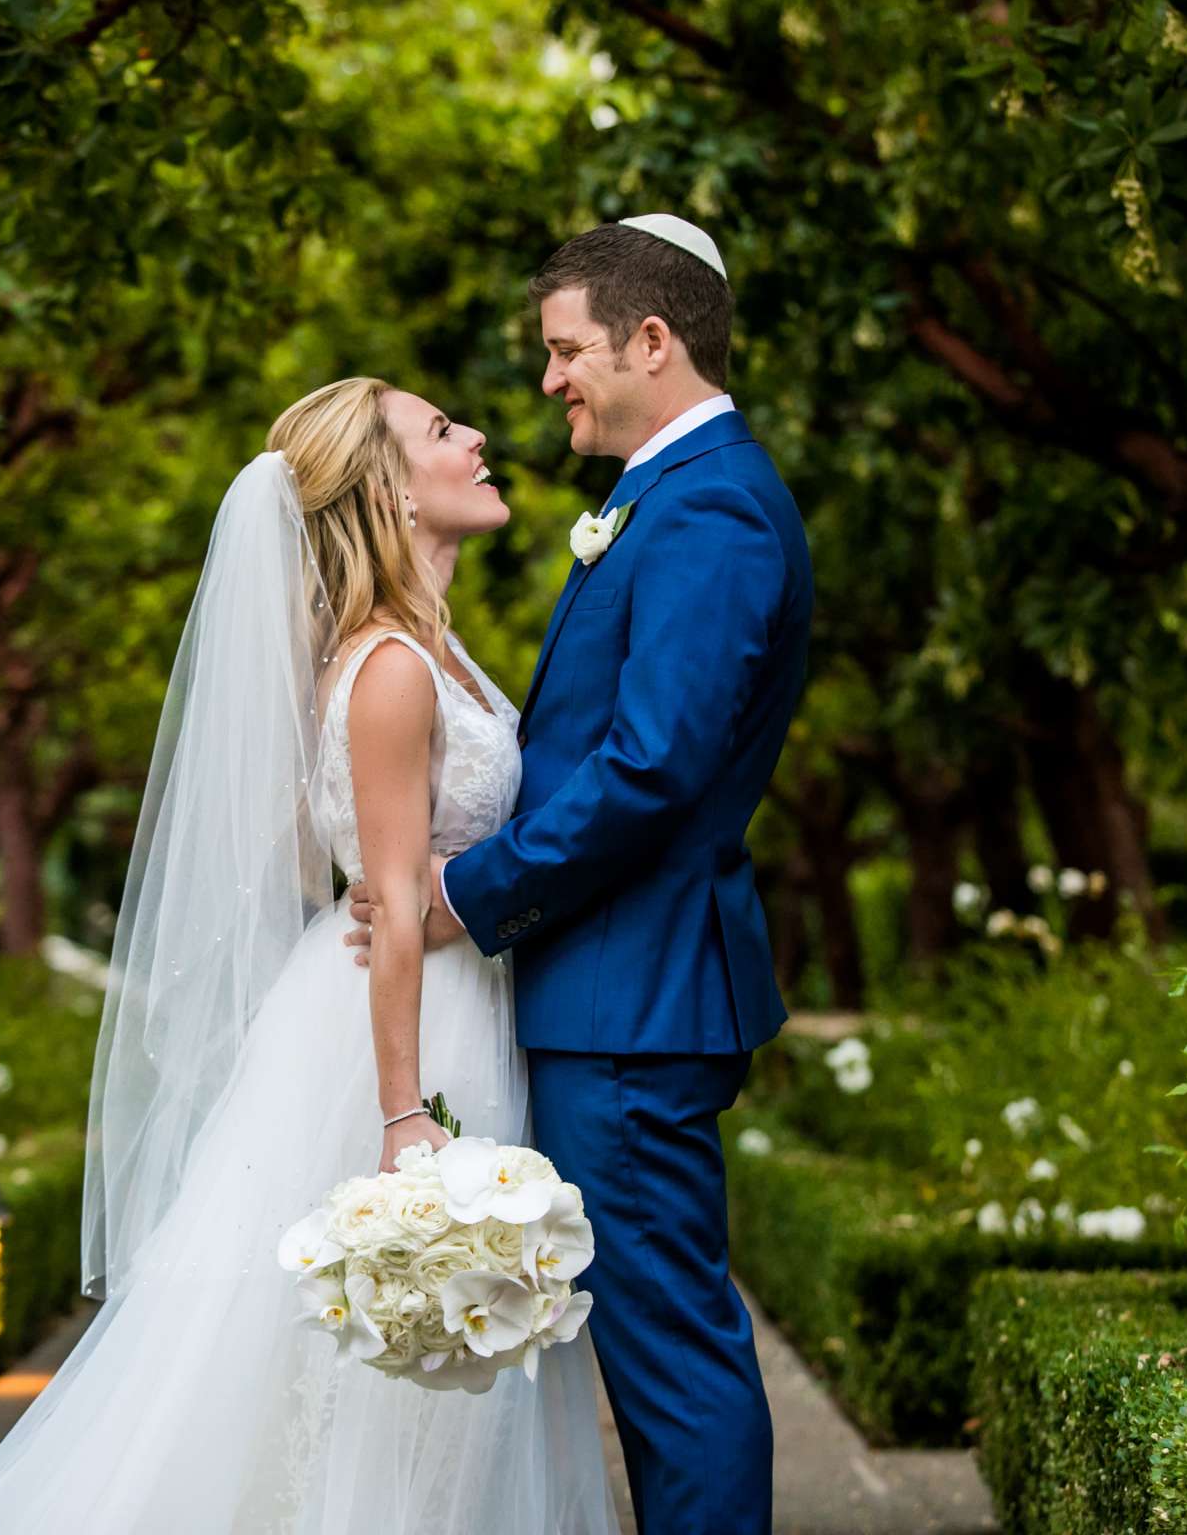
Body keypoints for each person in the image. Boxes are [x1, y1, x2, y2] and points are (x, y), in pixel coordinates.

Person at [0, 377, 618, 1532]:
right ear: (390, 494)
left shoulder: (422, 650)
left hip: (428, 998)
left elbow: (342, 862)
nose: (479, 437)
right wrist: (405, 1117)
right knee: (376, 1372)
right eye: (443, 430)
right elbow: (393, 902)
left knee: (415, 1373)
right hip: (406, 1036)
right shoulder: (390, 664)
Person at [350, 215, 813, 1535]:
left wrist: (465, 892)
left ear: (651, 342)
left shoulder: (711, 506)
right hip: (609, 993)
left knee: (671, 1361)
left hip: (635, 1000)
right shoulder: (666, 500)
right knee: (656, 1352)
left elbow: (653, 768)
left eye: (568, 351)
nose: (549, 381)